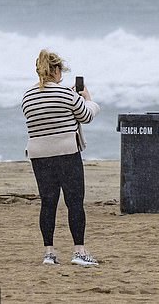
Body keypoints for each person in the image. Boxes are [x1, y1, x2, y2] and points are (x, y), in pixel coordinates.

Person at [21, 49, 101, 266]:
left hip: (39, 156)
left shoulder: (27, 97)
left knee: (48, 203)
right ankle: (79, 252)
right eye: (60, 72)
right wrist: (88, 99)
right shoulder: (66, 93)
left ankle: (49, 253)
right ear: (56, 70)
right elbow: (86, 116)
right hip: (66, 153)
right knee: (75, 202)